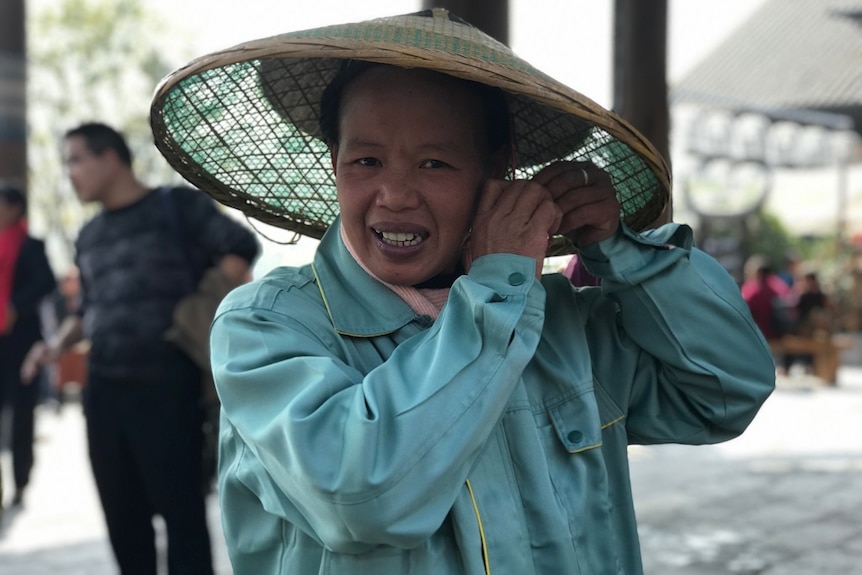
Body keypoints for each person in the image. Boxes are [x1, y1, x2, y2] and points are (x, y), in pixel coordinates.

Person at [149, 10, 776, 574]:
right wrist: (498, 291)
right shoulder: (268, 326)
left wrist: (624, 253)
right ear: (334, 163)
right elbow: (366, 496)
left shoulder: (564, 326)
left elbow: (727, 391)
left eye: (435, 164)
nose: (394, 195)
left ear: (496, 174)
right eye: (365, 162)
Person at [21, 122, 260, 575]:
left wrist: (202, 308)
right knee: (123, 520)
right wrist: (51, 347)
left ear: (110, 157)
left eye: (75, 160)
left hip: (170, 384)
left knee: (183, 515)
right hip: (106, 389)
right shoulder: (89, 235)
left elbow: (239, 247)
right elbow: (86, 309)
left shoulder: (176, 206)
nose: (69, 173)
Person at [0, 184, 57, 508]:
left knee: (22, 416)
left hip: (22, 343)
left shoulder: (31, 246)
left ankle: (20, 483)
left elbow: (46, 282)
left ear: (14, 209)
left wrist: (15, 307)